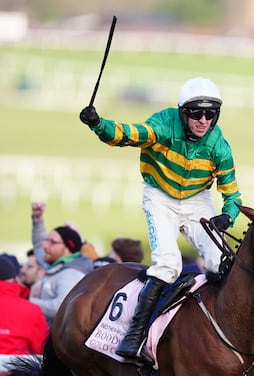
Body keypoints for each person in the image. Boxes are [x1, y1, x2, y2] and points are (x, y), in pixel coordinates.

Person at [80, 76, 242, 361]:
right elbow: (128, 135)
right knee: (169, 264)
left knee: (221, 261)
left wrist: (227, 217)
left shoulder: (220, 147)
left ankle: (217, 333)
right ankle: (135, 337)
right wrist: (98, 124)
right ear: (182, 112)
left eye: (210, 114)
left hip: (197, 201)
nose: (203, 120)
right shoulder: (164, 124)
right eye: (196, 113)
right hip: (160, 197)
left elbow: (233, 196)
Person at [30, 202, 94, 326]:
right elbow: (38, 245)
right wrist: (38, 220)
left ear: (67, 248)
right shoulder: (57, 264)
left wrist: (27, 301)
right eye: (47, 241)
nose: (45, 246)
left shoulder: (71, 273)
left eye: (52, 242)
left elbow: (61, 307)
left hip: (57, 343)